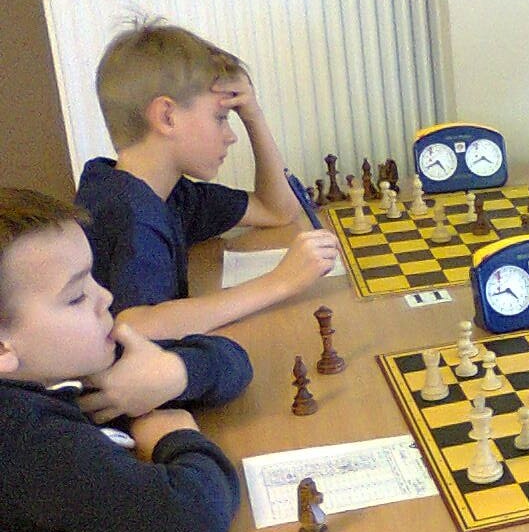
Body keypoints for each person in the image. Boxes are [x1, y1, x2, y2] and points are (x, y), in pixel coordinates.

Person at [0, 189, 358, 532]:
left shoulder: (56, 367)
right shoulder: (22, 436)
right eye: (76, 296)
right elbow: (194, 516)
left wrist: (171, 373)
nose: (106, 299)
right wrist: (175, 434)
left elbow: (228, 360)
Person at [75, 20, 339, 340]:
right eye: (220, 118)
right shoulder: (129, 212)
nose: (230, 136)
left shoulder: (170, 195)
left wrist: (252, 113)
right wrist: (282, 281)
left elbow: (277, 210)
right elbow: (135, 326)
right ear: (167, 116)